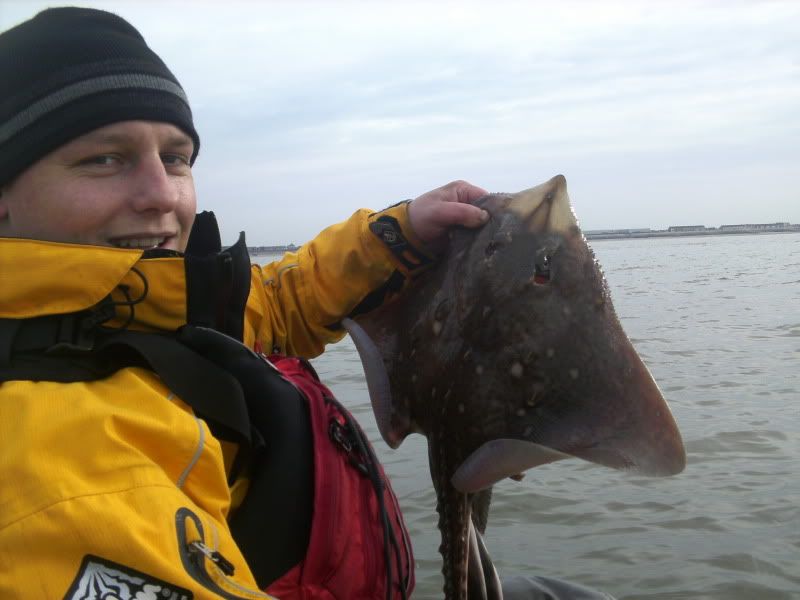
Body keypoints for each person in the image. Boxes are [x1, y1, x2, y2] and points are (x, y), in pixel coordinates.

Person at [0, 7, 615, 599]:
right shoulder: (62, 479)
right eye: (103, 159)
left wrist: (396, 233)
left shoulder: (122, 315)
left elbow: (270, 307)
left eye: (176, 158)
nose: (162, 195)